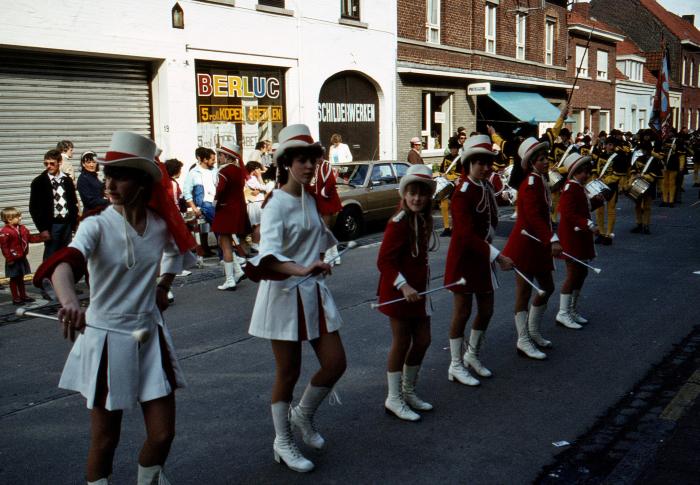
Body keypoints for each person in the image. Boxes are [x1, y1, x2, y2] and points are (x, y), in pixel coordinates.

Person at [34, 131, 195, 485]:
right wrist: (71, 301)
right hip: (107, 337)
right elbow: (65, 263)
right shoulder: (96, 224)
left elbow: (177, 253)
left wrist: (163, 287)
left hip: (149, 334)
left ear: (142, 182)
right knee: (106, 439)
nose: (110, 183)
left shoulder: (158, 225)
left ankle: (148, 479)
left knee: (162, 434)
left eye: (120, 176)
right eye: (108, 175)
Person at [245, 124, 346, 473]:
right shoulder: (275, 203)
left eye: (312, 160)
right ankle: (282, 441)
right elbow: (268, 253)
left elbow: (317, 239)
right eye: (301, 160)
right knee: (288, 372)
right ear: (286, 162)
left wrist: (324, 258)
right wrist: (301, 269)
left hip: (313, 293)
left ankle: (303, 416)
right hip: (284, 295)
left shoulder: (311, 199)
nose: (308, 166)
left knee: (336, 363)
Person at [444, 135, 514, 386]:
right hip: (465, 259)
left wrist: (504, 198)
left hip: (483, 256)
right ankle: (455, 364)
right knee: (462, 312)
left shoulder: (484, 185)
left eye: (488, 163)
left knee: (487, 310)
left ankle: (472, 355)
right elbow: (464, 234)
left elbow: (489, 211)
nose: (485, 167)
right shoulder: (462, 192)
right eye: (480, 163)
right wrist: (497, 256)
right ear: (469, 163)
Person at [376, 164, 437, 422]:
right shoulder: (398, 223)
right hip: (399, 292)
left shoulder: (421, 218)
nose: (417, 198)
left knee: (423, 340)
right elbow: (384, 262)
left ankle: (408, 390)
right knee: (401, 343)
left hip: (419, 292)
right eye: (412, 193)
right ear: (404, 194)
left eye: (422, 194)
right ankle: (393, 397)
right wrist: (403, 284)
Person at [501, 137, 563, 359]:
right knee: (524, 292)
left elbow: (544, 216)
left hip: (539, 244)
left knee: (547, 287)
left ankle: (533, 331)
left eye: (547, 158)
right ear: (531, 163)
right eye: (541, 159)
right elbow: (534, 218)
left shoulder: (540, 181)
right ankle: (523, 339)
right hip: (526, 244)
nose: (547, 162)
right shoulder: (530, 184)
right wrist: (552, 239)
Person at [555, 153, 604, 329]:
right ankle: (563, 312)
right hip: (572, 236)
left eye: (587, 171)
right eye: (581, 172)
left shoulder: (578, 187)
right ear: (574, 172)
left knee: (582, 273)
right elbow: (568, 213)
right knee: (573, 274)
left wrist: (597, 203)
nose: (585, 175)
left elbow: (583, 207)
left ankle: (572, 309)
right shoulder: (570, 188)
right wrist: (589, 224)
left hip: (580, 235)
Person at [29, 149, 79, 260]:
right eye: (46, 163)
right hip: (52, 225)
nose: (48, 166)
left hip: (67, 223)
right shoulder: (39, 182)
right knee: (50, 256)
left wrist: (75, 222)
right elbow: (34, 208)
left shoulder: (66, 180)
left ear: (60, 162)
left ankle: (63, 276)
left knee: (66, 254)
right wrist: (42, 229)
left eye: (52, 163)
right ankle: (47, 276)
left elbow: (73, 202)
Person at [212, 143, 248, 291]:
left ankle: (229, 279)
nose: (219, 157)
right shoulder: (240, 171)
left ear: (227, 156)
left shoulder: (224, 171)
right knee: (222, 241)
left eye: (220, 155)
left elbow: (220, 191)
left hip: (225, 209)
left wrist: (215, 203)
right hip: (238, 209)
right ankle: (238, 271)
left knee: (225, 243)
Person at [0, 207, 43, 305]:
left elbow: (30, 238)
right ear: (9, 219)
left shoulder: (22, 228)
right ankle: (16, 298)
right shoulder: (5, 232)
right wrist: (9, 259)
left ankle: (23, 296)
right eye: (18, 216)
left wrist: (41, 238)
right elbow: (4, 247)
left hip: (21, 258)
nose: (20, 218)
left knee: (21, 278)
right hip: (13, 259)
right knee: (14, 278)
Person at [182, 147, 217, 257]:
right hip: (204, 204)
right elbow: (187, 192)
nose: (214, 161)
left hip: (216, 202)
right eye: (212, 159)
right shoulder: (193, 173)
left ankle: (225, 252)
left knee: (220, 226)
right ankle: (227, 253)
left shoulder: (215, 171)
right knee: (219, 226)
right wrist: (194, 208)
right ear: (204, 159)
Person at [630, 130, 664, 234]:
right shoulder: (639, 159)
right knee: (637, 205)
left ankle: (646, 225)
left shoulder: (653, 160)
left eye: (645, 150)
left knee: (647, 206)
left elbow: (654, 175)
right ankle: (639, 224)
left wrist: (643, 176)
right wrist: (634, 176)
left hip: (649, 185)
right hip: (638, 183)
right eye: (643, 149)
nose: (643, 151)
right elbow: (633, 169)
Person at [313, 155, 344, 265]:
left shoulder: (325, 165)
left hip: (327, 201)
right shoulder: (316, 166)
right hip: (320, 201)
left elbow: (330, 182)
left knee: (325, 229)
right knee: (325, 229)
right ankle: (335, 256)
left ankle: (328, 257)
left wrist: (323, 193)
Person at [591, 137, 622, 245]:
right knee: (599, 210)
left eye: (612, 145)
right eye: (608, 144)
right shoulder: (601, 155)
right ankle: (601, 233)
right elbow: (595, 169)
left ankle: (609, 235)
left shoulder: (618, 158)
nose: (610, 147)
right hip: (599, 186)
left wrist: (605, 180)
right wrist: (595, 178)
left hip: (612, 187)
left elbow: (617, 175)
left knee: (611, 210)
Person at [437, 137, 462, 236]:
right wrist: (441, 175)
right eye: (452, 148)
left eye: (455, 148)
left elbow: (460, 174)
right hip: (446, 185)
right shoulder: (446, 157)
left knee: (455, 207)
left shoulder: (460, 159)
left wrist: (448, 176)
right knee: (444, 206)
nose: (453, 150)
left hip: (456, 186)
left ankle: (455, 227)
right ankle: (446, 228)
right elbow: (442, 170)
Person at [244, 161, 267, 251]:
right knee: (257, 225)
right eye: (258, 168)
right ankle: (255, 244)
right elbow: (264, 187)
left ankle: (256, 243)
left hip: (257, 202)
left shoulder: (252, 178)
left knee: (258, 224)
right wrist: (260, 177)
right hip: (255, 203)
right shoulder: (251, 179)